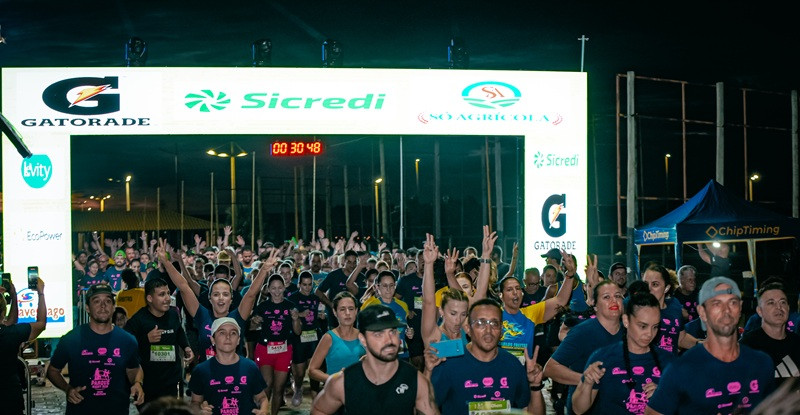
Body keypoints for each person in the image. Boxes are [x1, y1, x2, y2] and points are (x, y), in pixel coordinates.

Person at [645, 277, 775, 414]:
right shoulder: (681, 370)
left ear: (740, 308)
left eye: (732, 302)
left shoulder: (761, 363)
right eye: (716, 303)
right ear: (702, 312)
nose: (726, 310)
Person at [311, 304, 439, 414]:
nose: (389, 340)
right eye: (379, 334)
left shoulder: (416, 380)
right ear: (363, 340)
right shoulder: (343, 382)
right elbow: (319, 410)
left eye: (393, 332)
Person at [427, 298, 545, 415]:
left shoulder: (513, 365)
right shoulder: (449, 363)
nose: (488, 330)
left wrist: (535, 386)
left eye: (494, 323)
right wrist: (428, 371)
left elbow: (530, 412)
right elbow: (425, 406)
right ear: (468, 328)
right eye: (480, 323)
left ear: (501, 330)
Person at [47, 283, 145, 414]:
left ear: (114, 306)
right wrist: (68, 389)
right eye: (96, 301)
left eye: (108, 301)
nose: (103, 306)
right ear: (87, 308)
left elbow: (134, 369)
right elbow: (53, 370)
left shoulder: (128, 340)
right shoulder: (71, 339)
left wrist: (137, 383)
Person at [572, 292, 674, 414]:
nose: (649, 334)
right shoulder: (604, 357)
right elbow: (578, 409)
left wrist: (663, 398)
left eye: (655, 327)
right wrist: (587, 383)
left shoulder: (668, 361)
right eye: (643, 326)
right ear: (626, 321)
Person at [543, 280, 625, 415]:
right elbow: (551, 368)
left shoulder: (629, 333)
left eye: (617, 296)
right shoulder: (582, 332)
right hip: (584, 408)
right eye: (606, 297)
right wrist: (587, 380)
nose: (614, 301)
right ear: (595, 305)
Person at [124, 278, 194, 406]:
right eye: (162, 294)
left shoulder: (173, 313)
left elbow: (178, 331)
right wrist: (146, 339)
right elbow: (125, 345)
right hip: (149, 383)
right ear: (150, 298)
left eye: (168, 293)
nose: (167, 298)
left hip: (173, 380)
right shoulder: (139, 319)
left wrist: (186, 347)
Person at [189, 317, 269, 415]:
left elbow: (262, 398)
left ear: (239, 340)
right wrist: (200, 412)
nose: (228, 337)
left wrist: (264, 410)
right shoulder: (201, 370)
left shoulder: (250, 367)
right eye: (222, 333)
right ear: (212, 339)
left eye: (233, 333)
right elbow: (195, 402)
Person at [252, 274, 302, 415]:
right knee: (267, 385)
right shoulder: (262, 306)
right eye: (273, 288)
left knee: (279, 388)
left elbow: (298, 332)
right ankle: (262, 412)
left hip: (284, 350)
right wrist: (254, 322)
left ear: (284, 287)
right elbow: (250, 328)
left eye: (280, 288)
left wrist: (295, 319)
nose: (277, 291)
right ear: (268, 289)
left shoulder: (290, 306)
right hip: (265, 349)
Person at [1, 279, 47, 414]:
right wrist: (41, 294)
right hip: (9, 397)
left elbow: (10, 322)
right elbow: (41, 323)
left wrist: (14, 296)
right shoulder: (10, 333)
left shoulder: (10, 331)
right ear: (3, 311)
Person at [420, 233, 471, 348]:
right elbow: (428, 302)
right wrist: (428, 264)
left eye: (463, 314)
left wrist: (450, 274)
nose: (458, 320)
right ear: (441, 311)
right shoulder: (434, 336)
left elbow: (464, 298)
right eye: (453, 313)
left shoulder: (467, 331)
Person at [740, 282, 800, 378]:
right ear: (760, 311)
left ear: (788, 308)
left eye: (783, 302)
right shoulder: (747, 346)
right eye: (771, 303)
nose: (779, 307)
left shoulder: (797, 343)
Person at [308, 291, 365, 385]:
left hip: (360, 391)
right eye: (342, 309)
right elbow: (312, 370)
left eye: (351, 309)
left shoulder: (363, 336)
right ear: (335, 312)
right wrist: (336, 379)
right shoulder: (329, 338)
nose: (347, 313)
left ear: (356, 311)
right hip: (336, 393)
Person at [641, 264, 700, 355]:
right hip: (646, 366)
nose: (649, 289)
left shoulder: (674, 305)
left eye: (655, 284)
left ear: (666, 288)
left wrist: (703, 345)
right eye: (645, 284)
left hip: (670, 366)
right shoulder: (635, 309)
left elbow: (681, 338)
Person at [288, 270, 324, 406]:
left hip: (313, 335)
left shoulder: (315, 298)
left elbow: (318, 311)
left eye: (310, 285)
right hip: (298, 338)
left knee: (314, 368)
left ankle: (316, 395)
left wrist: (320, 316)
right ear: (299, 284)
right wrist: (300, 315)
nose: (307, 288)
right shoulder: (292, 298)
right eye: (304, 285)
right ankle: (298, 388)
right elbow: (288, 317)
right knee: (300, 371)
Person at [360, 270, 413, 359]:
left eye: (391, 285)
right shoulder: (370, 306)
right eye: (384, 286)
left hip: (402, 353)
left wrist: (409, 332)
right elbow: (363, 333)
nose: (388, 289)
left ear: (395, 286)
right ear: (377, 287)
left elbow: (404, 326)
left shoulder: (403, 305)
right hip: (381, 354)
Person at [316, 249, 360, 329]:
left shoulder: (361, 277)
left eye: (354, 262)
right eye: (349, 262)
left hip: (354, 321)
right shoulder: (334, 275)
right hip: (334, 320)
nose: (352, 265)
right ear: (344, 261)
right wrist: (330, 304)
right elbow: (318, 291)